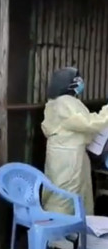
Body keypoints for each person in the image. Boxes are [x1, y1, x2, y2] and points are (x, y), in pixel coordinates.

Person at [42, 67, 108, 217]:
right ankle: (59, 235)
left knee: (69, 194)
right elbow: (89, 123)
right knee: (65, 197)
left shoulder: (57, 103)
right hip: (69, 156)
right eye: (77, 79)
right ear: (67, 84)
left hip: (68, 154)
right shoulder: (65, 102)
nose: (81, 83)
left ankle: (69, 234)